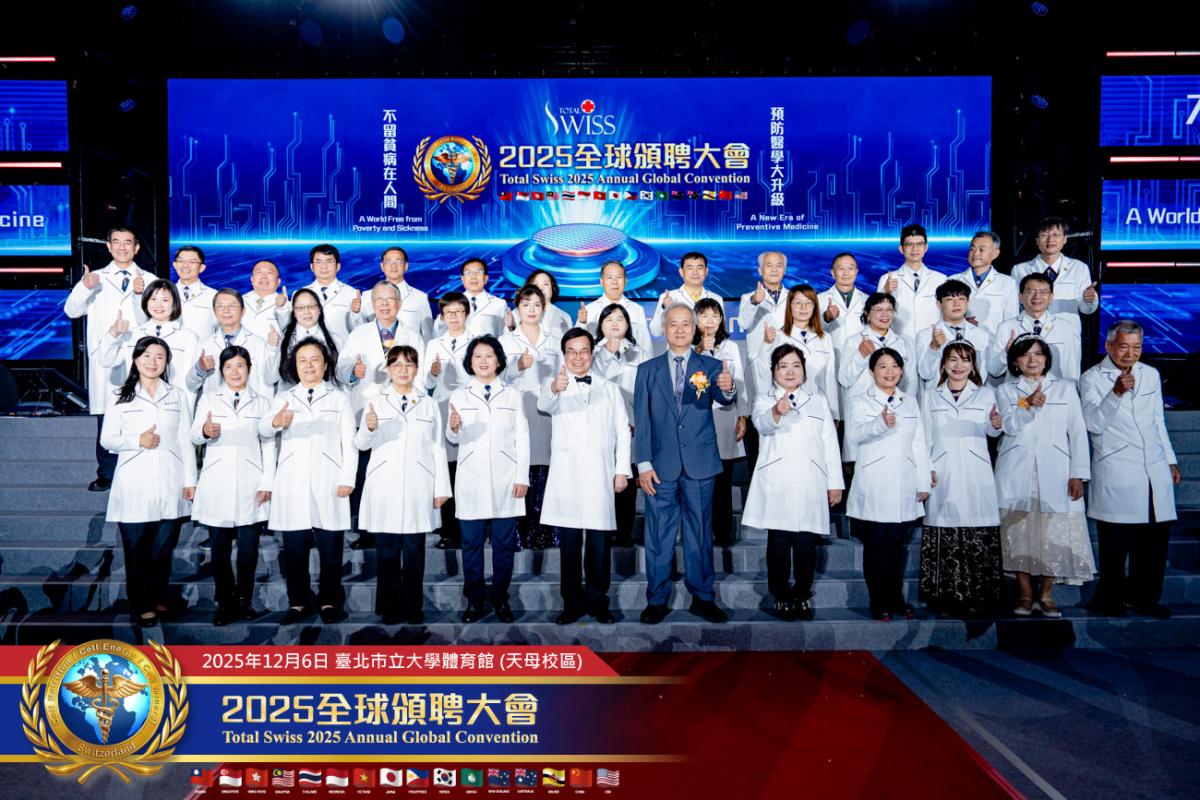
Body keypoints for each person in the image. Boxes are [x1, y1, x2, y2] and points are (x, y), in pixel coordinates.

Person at [634, 303, 736, 625]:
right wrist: (643, 463)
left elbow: (725, 397)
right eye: (673, 324)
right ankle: (656, 599)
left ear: (695, 329)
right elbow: (642, 419)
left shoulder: (711, 365)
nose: (679, 330)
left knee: (700, 533)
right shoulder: (647, 370)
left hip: (700, 464)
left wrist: (729, 388)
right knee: (658, 536)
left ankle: (703, 597)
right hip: (659, 466)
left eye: (685, 324)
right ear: (664, 329)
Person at [1082, 320, 1181, 618]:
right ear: (1109, 346)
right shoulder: (1091, 378)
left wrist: (1170, 459)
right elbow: (1093, 423)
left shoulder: (1150, 374)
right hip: (1117, 466)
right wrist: (1115, 393)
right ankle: (1110, 599)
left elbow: (1157, 421)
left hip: (1153, 466)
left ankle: (1146, 599)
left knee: (1154, 542)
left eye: (1136, 347)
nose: (1130, 353)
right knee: (1115, 543)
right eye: (1124, 347)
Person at [994, 335, 1094, 618]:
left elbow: (1077, 432)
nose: (1032, 360)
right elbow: (1008, 426)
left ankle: (1047, 594)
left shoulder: (1065, 389)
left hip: (1057, 470)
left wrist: (1078, 474)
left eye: (1038, 354)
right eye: (1025, 355)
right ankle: (1025, 594)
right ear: (1015, 361)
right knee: (1018, 532)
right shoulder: (1005, 391)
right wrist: (1026, 404)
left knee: (1054, 532)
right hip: (1016, 469)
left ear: (1047, 359)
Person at [99, 336, 196, 627]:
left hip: (170, 479)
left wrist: (190, 480)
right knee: (137, 549)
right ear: (136, 359)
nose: (152, 362)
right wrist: (136, 440)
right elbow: (107, 440)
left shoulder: (176, 395)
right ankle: (142, 604)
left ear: (167, 362)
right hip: (134, 483)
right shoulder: (119, 395)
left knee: (163, 548)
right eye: (147, 356)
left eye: (159, 357)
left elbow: (185, 440)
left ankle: (158, 596)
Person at [742, 345, 843, 621]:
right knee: (779, 542)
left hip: (810, 481)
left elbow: (829, 444)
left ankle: (801, 593)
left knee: (806, 544)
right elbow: (762, 424)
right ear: (774, 371)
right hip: (778, 483)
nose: (790, 371)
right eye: (783, 366)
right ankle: (780, 595)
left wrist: (834, 483)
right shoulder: (764, 399)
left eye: (796, 365)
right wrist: (777, 410)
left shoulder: (818, 400)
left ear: (804, 370)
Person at [260, 338, 357, 625]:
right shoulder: (283, 398)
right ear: (295, 366)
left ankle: (329, 601)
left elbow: (349, 442)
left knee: (331, 550)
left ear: (325, 365)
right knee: (294, 550)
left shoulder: (339, 398)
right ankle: (299, 602)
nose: (309, 365)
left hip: (330, 481)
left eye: (315, 359)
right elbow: (263, 429)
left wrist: (348, 477)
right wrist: (276, 422)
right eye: (303, 360)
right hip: (292, 481)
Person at [539, 328, 631, 624]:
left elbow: (622, 430)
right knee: (569, 547)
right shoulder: (556, 385)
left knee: (599, 544)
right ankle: (571, 603)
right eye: (571, 352)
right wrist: (555, 388)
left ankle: (598, 601)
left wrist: (621, 470)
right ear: (564, 355)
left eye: (583, 351)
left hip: (600, 475)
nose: (577, 357)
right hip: (567, 477)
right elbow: (543, 404)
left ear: (592, 353)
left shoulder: (610, 388)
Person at [354, 345, 451, 625]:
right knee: (387, 552)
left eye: (409, 365)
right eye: (396, 365)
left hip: (419, 486)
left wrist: (441, 488)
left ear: (416, 369)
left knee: (414, 552)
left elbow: (438, 447)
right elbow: (361, 444)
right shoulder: (375, 402)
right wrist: (369, 427)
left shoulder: (428, 403)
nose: (403, 370)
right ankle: (389, 607)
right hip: (384, 485)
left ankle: (412, 607)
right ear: (388, 369)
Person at [446, 336, 530, 623]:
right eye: (477, 356)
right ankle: (474, 601)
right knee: (471, 545)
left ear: (499, 361)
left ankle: (501, 598)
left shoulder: (513, 395)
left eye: (489, 356)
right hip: (471, 479)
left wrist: (522, 477)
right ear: (470, 362)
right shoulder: (459, 396)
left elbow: (522, 439)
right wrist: (454, 428)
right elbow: (452, 438)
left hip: (507, 480)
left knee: (504, 546)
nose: (483, 361)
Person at [918, 342, 1003, 617]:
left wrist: (996, 424)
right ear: (943, 364)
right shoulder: (931, 395)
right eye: (953, 359)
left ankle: (978, 595)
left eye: (965, 360)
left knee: (976, 528)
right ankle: (943, 597)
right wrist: (926, 468)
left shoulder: (985, 393)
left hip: (975, 469)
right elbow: (924, 436)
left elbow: (992, 430)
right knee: (943, 529)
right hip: (941, 469)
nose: (959, 365)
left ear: (973, 365)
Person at [190, 345, 274, 626]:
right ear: (221, 370)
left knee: (249, 551)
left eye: (240, 366)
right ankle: (225, 604)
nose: (235, 372)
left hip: (252, 482)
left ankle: (244, 601)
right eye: (228, 367)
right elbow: (194, 435)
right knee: (220, 550)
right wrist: (205, 431)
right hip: (218, 482)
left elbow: (269, 444)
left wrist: (268, 481)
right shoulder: (209, 398)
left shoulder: (262, 402)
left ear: (249, 368)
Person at [846, 348, 931, 620]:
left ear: (902, 371)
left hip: (904, 482)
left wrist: (923, 480)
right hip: (874, 483)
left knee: (896, 546)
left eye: (895, 366)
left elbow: (919, 443)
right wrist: (879, 423)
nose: (889, 372)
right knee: (876, 546)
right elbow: (855, 434)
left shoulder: (910, 401)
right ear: (872, 371)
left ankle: (896, 599)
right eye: (882, 366)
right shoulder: (860, 400)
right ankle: (878, 601)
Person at [338, 281, 422, 550]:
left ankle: (399, 523)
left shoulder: (412, 335)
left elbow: (419, 377)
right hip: (367, 411)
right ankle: (367, 530)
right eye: (379, 299)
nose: (385, 304)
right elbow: (340, 369)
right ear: (372, 304)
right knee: (367, 473)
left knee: (396, 472)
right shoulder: (359, 334)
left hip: (401, 414)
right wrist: (353, 373)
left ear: (399, 304)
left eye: (390, 299)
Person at [64, 227, 149, 491]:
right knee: (108, 417)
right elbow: (71, 311)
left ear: (136, 248)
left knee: (140, 413)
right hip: (106, 358)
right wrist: (84, 288)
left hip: (140, 359)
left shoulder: (150, 280)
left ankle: (139, 470)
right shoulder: (95, 279)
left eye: (128, 242)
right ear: (109, 247)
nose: (122, 247)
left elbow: (154, 318)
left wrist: (140, 295)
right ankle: (107, 473)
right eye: (116, 242)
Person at [499, 286, 562, 549]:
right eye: (525, 305)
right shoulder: (505, 341)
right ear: (517, 309)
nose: (531, 310)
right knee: (521, 466)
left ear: (544, 308)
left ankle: (545, 531)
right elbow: (496, 377)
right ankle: (520, 532)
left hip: (549, 410)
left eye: (536, 304)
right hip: (518, 408)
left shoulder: (555, 339)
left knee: (545, 466)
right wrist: (518, 366)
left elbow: (564, 373)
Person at [591, 303, 650, 546]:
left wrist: (636, 422)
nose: (614, 324)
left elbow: (647, 393)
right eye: (609, 319)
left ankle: (624, 533)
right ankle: (603, 532)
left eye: (620, 319)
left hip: (632, 426)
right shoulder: (592, 355)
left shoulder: (639, 354)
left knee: (625, 479)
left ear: (628, 325)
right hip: (601, 427)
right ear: (601, 325)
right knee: (602, 480)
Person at [421, 291, 475, 550]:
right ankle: (449, 530)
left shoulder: (477, 342)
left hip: (472, 409)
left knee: (470, 468)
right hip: (443, 408)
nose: (453, 317)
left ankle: (472, 527)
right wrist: (433, 373)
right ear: (441, 316)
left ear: (466, 314)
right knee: (447, 469)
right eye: (448, 313)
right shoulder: (434, 344)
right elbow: (426, 382)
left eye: (458, 312)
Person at [693, 298, 748, 547]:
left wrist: (742, 415)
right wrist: (698, 350)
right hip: (699, 421)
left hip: (726, 418)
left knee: (723, 481)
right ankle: (700, 534)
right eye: (704, 316)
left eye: (715, 315)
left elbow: (740, 383)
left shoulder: (731, 346)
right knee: (700, 482)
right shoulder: (689, 348)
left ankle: (723, 534)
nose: (710, 321)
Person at [100, 279, 200, 411]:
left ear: (175, 303)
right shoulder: (133, 335)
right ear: (146, 301)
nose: (158, 305)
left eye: (165, 300)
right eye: (153, 299)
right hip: (137, 407)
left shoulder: (188, 337)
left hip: (172, 408)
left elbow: (190, 383)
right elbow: (106, 361)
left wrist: (185, 412)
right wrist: (113, 333)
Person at [837, 292, 912, 461]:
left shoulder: (902, 343)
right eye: (879, 310)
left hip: (894, 412)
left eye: (889, 310)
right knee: (864, 461)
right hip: (864, 412)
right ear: (867, 313)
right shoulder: (854, 342)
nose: (885, 315)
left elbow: (909, 382)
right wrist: (861, 356)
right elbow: (844, 379)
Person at [755, 284, 839, 419]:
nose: (803, 307)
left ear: (815, 306)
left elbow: (829, 379)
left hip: (817, 409)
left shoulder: (825, 338)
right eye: (798, 303)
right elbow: (763, 372)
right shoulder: (778, 336)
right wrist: (766, 344)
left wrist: (834, 414)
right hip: (786, 407)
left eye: (808, 303)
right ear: (789, 306)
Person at [988, 273, 1082, 382]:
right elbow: (994, 371)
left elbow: (1072, 369)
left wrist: (1070, 391)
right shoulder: (1006, 327)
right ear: (1020, 297)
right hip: (1018, 390)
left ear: (1051, 297)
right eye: (1031, 291)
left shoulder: (1065, 327)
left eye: (1043, 292)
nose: (1037, 296)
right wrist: (1007, 352)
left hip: (1054, 389)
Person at [191, 289, 280, 401]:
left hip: (253, 408)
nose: (226, 310)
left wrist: (272, 349)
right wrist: (200, 369)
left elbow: (272, 379)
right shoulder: (204, 346)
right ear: (214, 312)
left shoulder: (261, 345)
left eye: (232, 306)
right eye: (220, 306)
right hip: (215, 408)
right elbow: (191, 385)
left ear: (243, 311)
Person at [1011, 216, 1099, 317]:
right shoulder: (1020, 270)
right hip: (1032, 326)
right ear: (1037, 240)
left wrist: (1089, 300)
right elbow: (1014, 306)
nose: (1050, 239)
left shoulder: (1079, 268)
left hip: (1067, 326)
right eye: (1044, 235)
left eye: (1056, 235)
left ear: (1065, 239)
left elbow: (1087, 310)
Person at [877, 224, 946, 352]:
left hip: (932, 346)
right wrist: (885, 292)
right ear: (901, 249)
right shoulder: (886, 279)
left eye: (919, 244)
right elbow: (877, 315)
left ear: (926, 247)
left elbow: (947, 315)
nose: (915, 248)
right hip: (899, 346)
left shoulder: (940, 279)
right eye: (909, 244)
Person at [914, 280, 991, 392]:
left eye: (961, 299)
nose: (956, 304)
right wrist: (933, 347)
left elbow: (982, 371)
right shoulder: (925, 335)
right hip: (938, 397)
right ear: (939, 304)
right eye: (950, 299)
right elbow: (925, 374)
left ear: (968, 302)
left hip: (972, 396)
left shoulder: (982, 335)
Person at [818, 252, 867, 417]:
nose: (846, 273)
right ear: (833, 273)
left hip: (860, 361)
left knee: (859, 412)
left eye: (850, 268)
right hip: (833, 358)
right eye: (841, 269)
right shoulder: (820, 300)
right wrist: (827, 317)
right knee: (834, 411)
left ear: (857, 272)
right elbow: (812, 330)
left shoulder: (867, 300)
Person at [353, 246, 433, 343]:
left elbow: (428, 337)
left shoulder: (420, 298)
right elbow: (359, 331)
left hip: (409, 351)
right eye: (389, 262)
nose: (393, 266)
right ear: (382, 266)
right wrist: (355, 313)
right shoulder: (367, 296)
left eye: (398, 261)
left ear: (406, 266)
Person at [949, 231, 1018, 333]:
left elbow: (1011, 320)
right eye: (972, 249)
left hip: (993, 342)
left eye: (981, 249)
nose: (975, 253)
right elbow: (944, 316)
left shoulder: (1007, 283)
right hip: (960, 340)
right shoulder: (953, 280)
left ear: (995, 254)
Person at [576, 260, 653, 351]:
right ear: (601, 281)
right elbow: (576, 343)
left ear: (625, 281)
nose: (614, 282)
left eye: (619, 277)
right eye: (609, 277)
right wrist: (582, 323)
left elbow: (646, 345)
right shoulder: (589, 310)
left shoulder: (637, 310)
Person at [649, 252, 723, 337]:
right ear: (681, 272)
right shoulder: (669, 297)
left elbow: (720, 332)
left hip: (706, 345)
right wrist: (665, 308)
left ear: (706, 271)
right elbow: (655, 331)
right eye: (690, 268)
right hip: (678, 345)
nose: (695, 272)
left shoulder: (716, 299)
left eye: (699, 268)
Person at [277, 287, 338, 388]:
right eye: (300, 308)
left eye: (311, 307)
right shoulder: (282, 339)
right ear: (294, 312)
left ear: (319, 310)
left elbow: (340, 376)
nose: (307, 312)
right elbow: (272, 376)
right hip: (289, 394)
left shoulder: (335, 339)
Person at [303, 243, 360, 349]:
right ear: (312, 266)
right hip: (311, 353)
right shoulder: (301, 294)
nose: (324, 266)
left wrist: (356, 314)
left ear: (338, 266)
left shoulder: (351, 293)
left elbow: (359, 330)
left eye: (329, 261)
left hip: (342, 353)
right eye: (318, 262)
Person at [435, 258, 510, 338]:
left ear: (486, 278)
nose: (473, 277)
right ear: (462, 279)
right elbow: (438, 334)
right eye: (468, 273)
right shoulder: (450, 304)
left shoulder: (499, 304)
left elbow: (503, 336)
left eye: (479, 272)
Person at [738, 250, 790, 364]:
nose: (774, 270)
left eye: (779, 265)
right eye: (769, 265)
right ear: (760, 271)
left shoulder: (794, 297)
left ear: (784, 270)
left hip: (787, 360)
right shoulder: (748, 298)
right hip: (759, 361)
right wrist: (754, 302)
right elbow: (743, 324)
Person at [170, 245, 218, 340]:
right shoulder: (165, 294)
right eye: (181, 261)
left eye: (192, 262)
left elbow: (222, 329)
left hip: (202, 349)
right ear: (175, 265)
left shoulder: (214, 296)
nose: (185, 265)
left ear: (201, 268)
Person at [241, 259, 291, 341]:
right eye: (259, 272)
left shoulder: (287, 306)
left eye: (269, 273)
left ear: (278, 281)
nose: (264, 276)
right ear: (252, 279)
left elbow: (288, 327)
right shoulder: (239, 301)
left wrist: (282, 308)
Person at [524, 270, 573, 340]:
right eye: (536, 285)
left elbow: (570, 343)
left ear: (552, 288)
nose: (540, 288)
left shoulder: (563, 316)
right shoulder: (518, 313)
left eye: (545, 284)